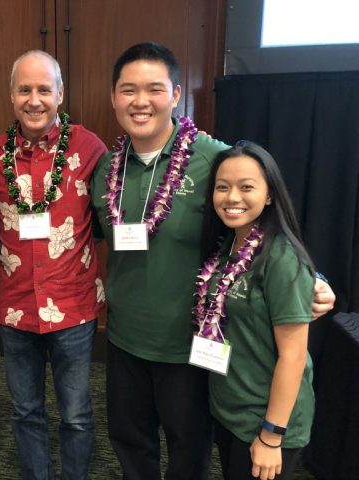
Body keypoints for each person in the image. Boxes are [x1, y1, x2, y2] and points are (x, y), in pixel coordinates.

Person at [90, 42, 335, 480]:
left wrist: (312, 278)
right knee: (130, 446)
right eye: (128, 90)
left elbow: (259, 218)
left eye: (154, 88)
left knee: (189, 453)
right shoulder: (108, 167)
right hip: (125, 340)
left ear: (177, 93)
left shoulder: (212, 159)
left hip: (191, 347)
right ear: (113, 97)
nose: (140, 101)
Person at [0, 50, 107, 480]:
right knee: (26, 410)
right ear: (12, 95)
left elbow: (108, 220)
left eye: (43, 89)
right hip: (17, 308)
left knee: (75, 413)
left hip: (73, 305)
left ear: (60, 94)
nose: (34, 100)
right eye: (24, 89)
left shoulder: (89, 147)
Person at [195, 141, 315, 480]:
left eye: (247, 187)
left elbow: (293, 355)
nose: (232, 197)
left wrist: (272, 435)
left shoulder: (281, 257)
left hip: (267, 421)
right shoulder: (226, 246)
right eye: (223, 187)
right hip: (231, 409)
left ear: (270, 195)